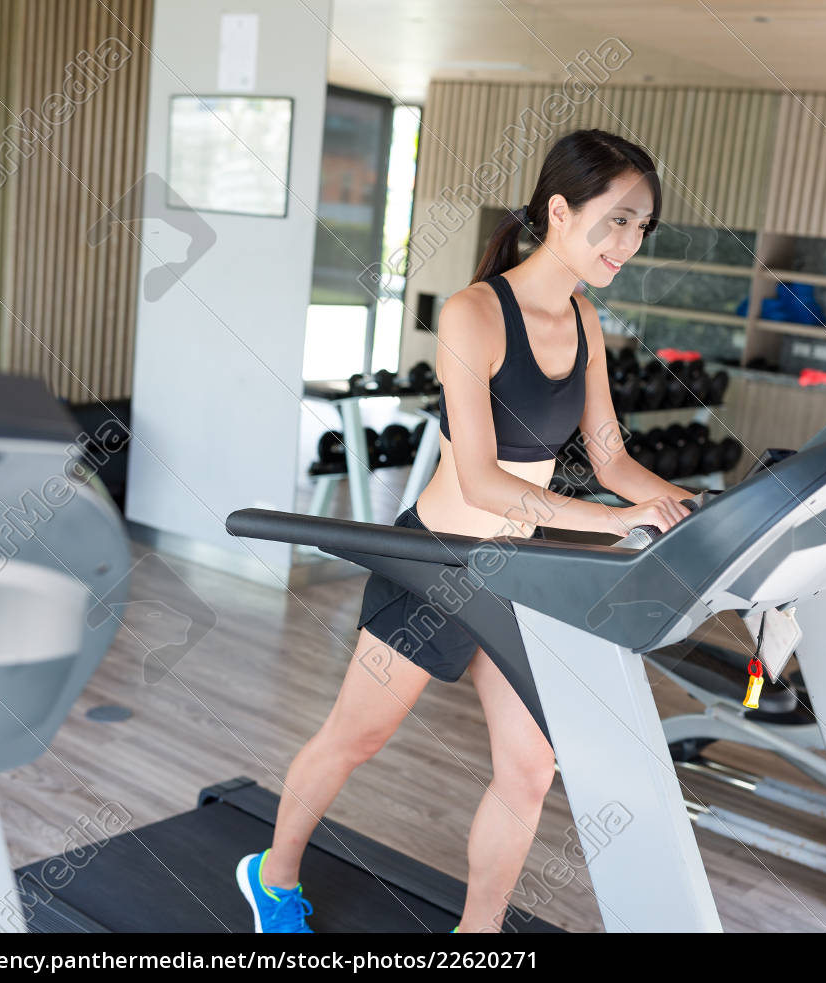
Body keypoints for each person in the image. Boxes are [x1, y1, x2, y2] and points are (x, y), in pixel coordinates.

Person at [238, 128, 699, 933]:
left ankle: (475, 934)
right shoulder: (473, 315)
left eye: (641, 226)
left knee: (530, 768)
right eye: (617, 219)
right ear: (560, 210)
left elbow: (611, 454)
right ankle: (271, 877)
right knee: (357, 738)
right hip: (439, 565)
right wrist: (613, 522)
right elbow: (483, 479)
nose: (629, 242)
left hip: (518, 571)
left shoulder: (585, 321)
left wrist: (686, 508)